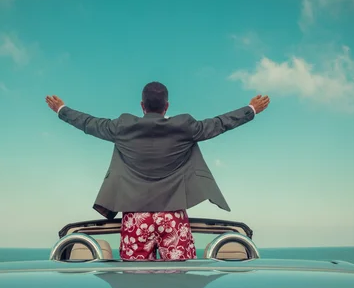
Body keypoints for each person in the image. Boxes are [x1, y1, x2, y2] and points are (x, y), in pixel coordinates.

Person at [45, 82, 270, 261]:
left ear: (142, 106)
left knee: (134, 281)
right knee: (181, 278)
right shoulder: (184, 126)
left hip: (135, 217)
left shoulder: (122, 126)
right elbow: (220, 123)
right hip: (173, 217)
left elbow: (88, 123)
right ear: (167, 106)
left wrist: (61, 110)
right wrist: (250, 110)